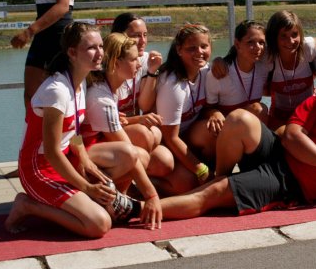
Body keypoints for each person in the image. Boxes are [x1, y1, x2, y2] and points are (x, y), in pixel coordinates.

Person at [148, 60, 316, 221]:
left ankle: (139, 209)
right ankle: (221, 177)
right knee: (240, 119)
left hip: (290, 183)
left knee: (214, 193)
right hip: (278, 152)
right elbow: (291, 138)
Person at [5, 22, 161, 237]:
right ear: (72, 53)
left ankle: (94, 200)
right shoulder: (56, 91)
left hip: (67, 158)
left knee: (130, 154)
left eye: (100, 46)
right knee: (99, 225)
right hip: (39, 168)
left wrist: (85, 158)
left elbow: (72, 133)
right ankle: (28, 205)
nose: (100, 53)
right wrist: (87, 187)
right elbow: (51, 152)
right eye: (91, 48)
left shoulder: (80, 83)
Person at [84, 31, 173, 187]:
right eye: (133, 60)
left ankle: (120, 191)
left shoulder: (110, 85)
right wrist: (151, 195)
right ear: (116, 63)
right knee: (139, 156)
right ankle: (95, 189)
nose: (139, 64)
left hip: (93, 143)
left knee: (151, 145)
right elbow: (129, 154)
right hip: (82, 150)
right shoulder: (100, 97)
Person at [156, 23, 219, 194]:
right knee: (186, 183)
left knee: (216, 127)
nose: (199, 52)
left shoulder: (206, 72)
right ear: (179, 50)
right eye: (191, 48)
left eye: (204, 46)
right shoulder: (172, 84)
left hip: (186, 136)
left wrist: (215, 113)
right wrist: (201, 170)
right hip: (165, 143)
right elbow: (170, 137)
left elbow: (206, 107)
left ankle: (214, 175)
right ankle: (142, 187)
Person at [110, 13, 165, 153]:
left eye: (145, 35)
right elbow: (111, 121)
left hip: (130, 125)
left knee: (164, 158)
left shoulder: (146, 59)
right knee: (143, 134)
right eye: (136, 35)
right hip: (110, 130)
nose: (143, 41)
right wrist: (138, 119)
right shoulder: (108, 68)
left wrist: (152, 72)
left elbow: (144, 105)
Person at [206, 20, 269, 123]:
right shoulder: (219, 71)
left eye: (261, 42)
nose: (258, 47)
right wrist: (214, 113)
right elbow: (205, 109)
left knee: (260, 108)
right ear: (237, 44)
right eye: (250, 42)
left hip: (249, 125)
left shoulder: (263, 67)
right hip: (225, 125)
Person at [264, 10, 316, 131]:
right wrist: (222, 61)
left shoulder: (307, 48)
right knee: (286, 134)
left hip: (308, 115)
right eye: (283, 36)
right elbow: (242, 52)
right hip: (279, 118)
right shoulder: (267, 57)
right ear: (273, 37)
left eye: (294, 34)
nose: (291, 41)